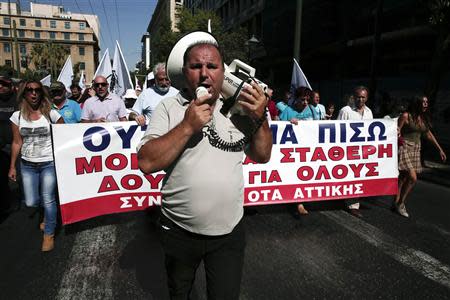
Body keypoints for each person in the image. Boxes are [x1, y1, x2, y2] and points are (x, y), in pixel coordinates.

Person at [137, 37, 272, 299]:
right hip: (178, 231)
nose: (204, 74)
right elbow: (146, 162)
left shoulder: (241, 108)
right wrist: (187, 126)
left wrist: (260, 116)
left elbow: (263, 155)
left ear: (224, 72)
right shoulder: (169, 107)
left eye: (212, 66)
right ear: (184, 72)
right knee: (179, 293)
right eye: (196, 66)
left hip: (229, 234)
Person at [8, 80, 64, 251]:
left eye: (37, 90)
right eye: (30, 90)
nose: (33, 93)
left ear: (42, 93)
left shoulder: (51, 114)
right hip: (27, 165)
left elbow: (65, 136)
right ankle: (47, 213)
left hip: (48, 163)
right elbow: (17, 142)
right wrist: (12, 166)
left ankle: (49, 233)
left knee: (48, 199)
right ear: (24, 93)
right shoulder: (17, 116)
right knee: (31, 201)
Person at [395, 96, 446, 217]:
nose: (425, 104)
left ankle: (395, 202)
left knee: (403, 177)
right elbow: (396, 130)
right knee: (413, 177)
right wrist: (397, 134)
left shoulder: (423, 118)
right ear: (416, 103)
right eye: (423, 102)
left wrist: (440, 149)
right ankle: (401, 204)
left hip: (416, 148)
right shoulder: (406, 116)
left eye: (426, 102)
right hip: (404, 147)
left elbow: (428, 134)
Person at [337, 86, 373, 218]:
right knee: (347, 174)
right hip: (347, 149)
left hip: (362, 151)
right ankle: (349, 202)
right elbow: (337, 130)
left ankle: (353, 203)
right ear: (354, 96)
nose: (360, 99)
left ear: (367, 98)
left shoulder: (369, 112)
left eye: (363, 97)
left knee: (358, 175)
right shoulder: (345, 111)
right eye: (358, 97)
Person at [0, 74, 18, 216]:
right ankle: (6, 204)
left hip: (17, 146)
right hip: (1, 148)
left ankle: (22, 202)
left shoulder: (19, 101)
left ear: (11, 87)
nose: (1, 87)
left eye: (4, 84)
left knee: (20, 177)